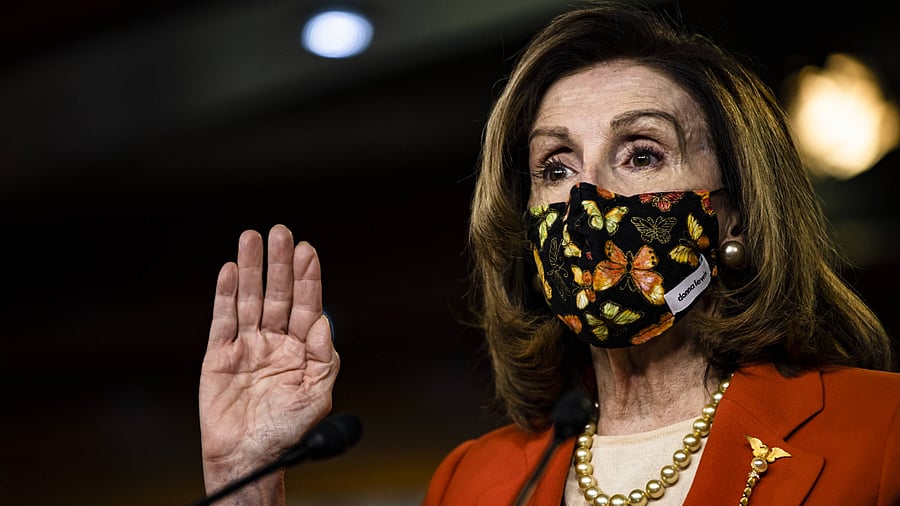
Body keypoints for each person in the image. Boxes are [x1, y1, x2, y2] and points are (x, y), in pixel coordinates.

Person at [197, 1, 900, 504]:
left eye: (642, 153)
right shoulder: (473, 482)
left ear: (732, 211)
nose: (588, 199)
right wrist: (248, 477)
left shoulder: (881, 430)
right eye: (556, 168)